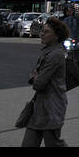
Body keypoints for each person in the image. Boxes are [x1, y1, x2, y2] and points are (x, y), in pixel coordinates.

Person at [22, 18, 69, 147]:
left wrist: (35, 77)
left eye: (47, 32)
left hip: (51, 108)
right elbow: (34, 74)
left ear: (56, 36)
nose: (42, 34)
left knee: (53, 144)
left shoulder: (55, 55)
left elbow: (39, 83)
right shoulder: (47, 52)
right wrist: (35, 76)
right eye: (42, 31)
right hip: (39, 107)